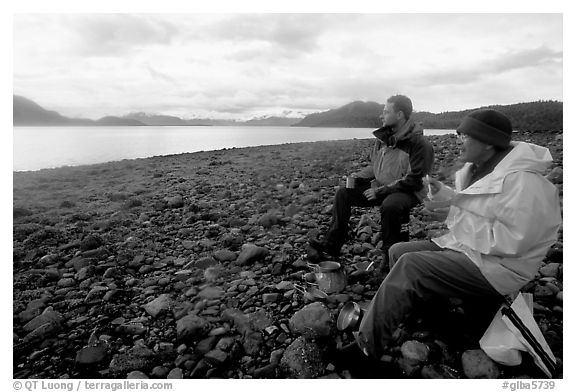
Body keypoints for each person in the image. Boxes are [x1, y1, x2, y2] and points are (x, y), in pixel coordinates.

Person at [334, 109, 562, 371]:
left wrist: (454, 214)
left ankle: (367, 348)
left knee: (411, 265)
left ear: (487, 141)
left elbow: (512, 242)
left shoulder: (526, 185)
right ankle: (435, 320)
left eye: (464, 135)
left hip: (500, 266)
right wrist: (445, 194)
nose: (457, 140)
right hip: (471, 249)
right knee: (397, 251)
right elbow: (478, 205)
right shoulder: (482, 168)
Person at [308, 95, 435, 267]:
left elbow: (415, 179)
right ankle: (331, 245)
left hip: (410, 191)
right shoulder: (383, 139)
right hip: (383, 187)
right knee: (344, 193)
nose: (381, 116)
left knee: (391, 205)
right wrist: (356, 176)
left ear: (399, 115)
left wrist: (380, 191)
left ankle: (390, 257)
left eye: (386, 111)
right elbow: (375, 167)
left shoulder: (419, 143)